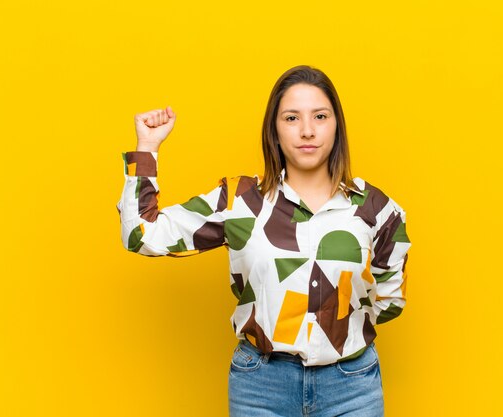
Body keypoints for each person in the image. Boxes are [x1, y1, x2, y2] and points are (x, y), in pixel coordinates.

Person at [117, 65, 411, 416]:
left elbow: (389, 298)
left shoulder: (378, 209)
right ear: (274, 130)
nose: (307, 130)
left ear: (336, 126)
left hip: (352, 386)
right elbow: (140, 235)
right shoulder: (239, 202)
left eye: (320, 116)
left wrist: (339, 332)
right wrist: (147, 149)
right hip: (261, 387)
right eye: (291, 118)